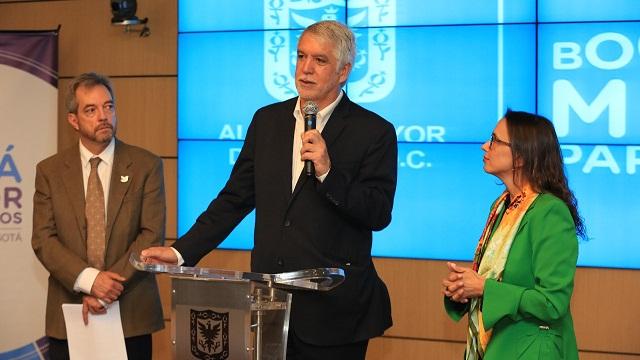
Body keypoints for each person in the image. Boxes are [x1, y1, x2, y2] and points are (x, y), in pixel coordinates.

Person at [141, 20, 397, 360]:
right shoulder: (268, 121)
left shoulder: (373, 131)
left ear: (343, 71)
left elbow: (378, 213)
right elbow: (234, 199)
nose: (305, 69)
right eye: (301, 56)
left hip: (334, 314)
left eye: (319, 60)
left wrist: (328, 172)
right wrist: (181, 252)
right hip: (269, 307)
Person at [32, 72, 165, 360]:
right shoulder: (49, 172)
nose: (103, 116)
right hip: (70, 313)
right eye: (90, 110)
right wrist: (90, 281)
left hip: (131, 315)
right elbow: (43, 238)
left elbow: (151, 235)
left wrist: (107, 287)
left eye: (109, 106)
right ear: (73, 120)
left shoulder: (146, 165)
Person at [442, 110, 585, 359]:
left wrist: (484, 288)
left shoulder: (550, 212)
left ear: (520, 155)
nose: (485, 146)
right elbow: (499, 280)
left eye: (495, 140)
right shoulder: (502, 206)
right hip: (498, 344)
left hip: (532, 349)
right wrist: (465, 289)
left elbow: (552, 303)